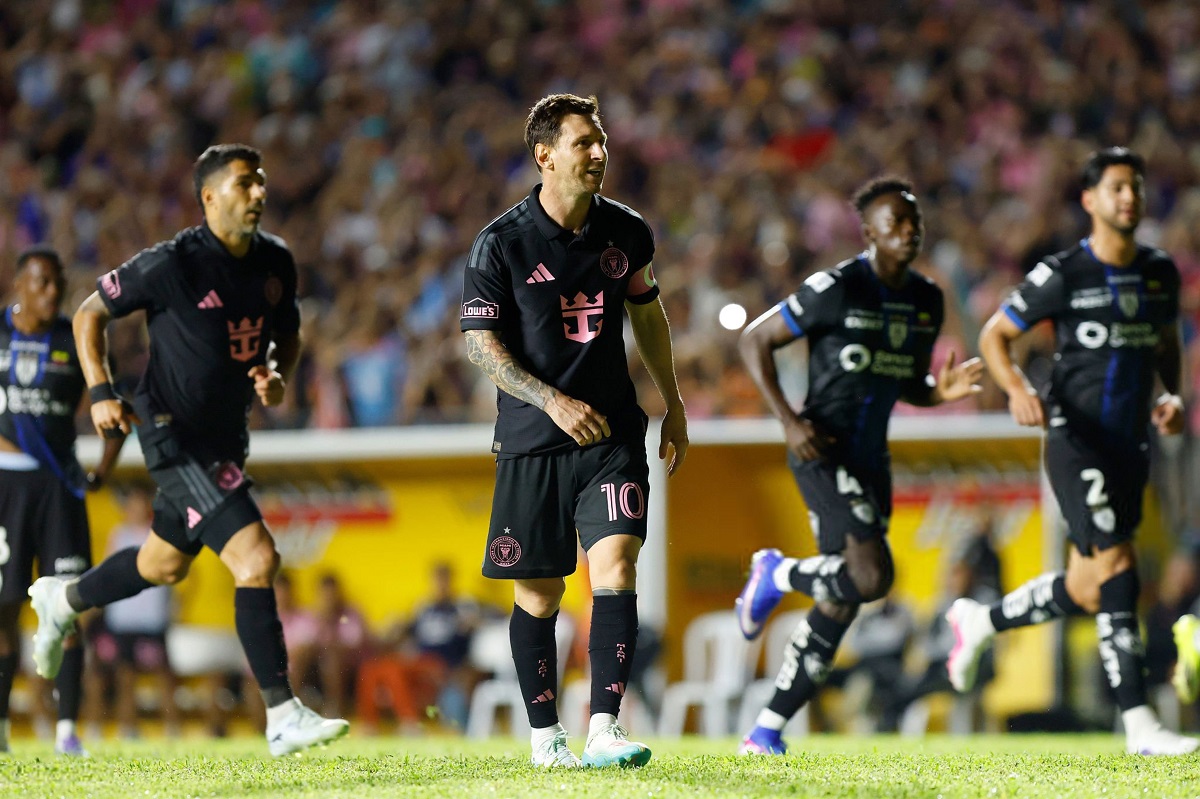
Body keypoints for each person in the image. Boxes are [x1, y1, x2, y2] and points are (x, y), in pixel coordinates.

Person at [26, 143, 349, 757]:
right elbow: (89, 313)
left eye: (260, 183)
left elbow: (287, 338)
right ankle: (281, 713)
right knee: (256, 559)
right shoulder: (173, 263)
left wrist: (275, 375)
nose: (258, 194)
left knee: (163, 564)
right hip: (173, 434)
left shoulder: (275, 261)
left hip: (227, 438)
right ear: (209, 198)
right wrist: (100, 391)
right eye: (243, 184)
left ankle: (62, 599)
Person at [460, 93, 688, 768]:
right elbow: (481, 345)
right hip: (533, 439)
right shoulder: (500, 243)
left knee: (614, 565)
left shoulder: (626, 232)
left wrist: (672, 401)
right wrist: (551, 401)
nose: (599, 152)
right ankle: (545, 737)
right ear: (545, 155)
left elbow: (647, 312)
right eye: (584, 142)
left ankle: (605, 727)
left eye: (601, 141)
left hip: (612, 434)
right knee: (539, 591)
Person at [952, 147, 1197, 756]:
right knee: (1120, 569)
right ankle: (1140, 725)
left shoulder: (1160, 272)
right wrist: (1015, 390)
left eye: (1135, 187)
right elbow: (995, 334)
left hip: (1130, 444)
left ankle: (980, 621)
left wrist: (1171, 395)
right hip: (1074, 437)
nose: (1128, 197)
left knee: (1092, 585)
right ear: (1090, 200)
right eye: (1116, 187)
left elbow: (1165, 341)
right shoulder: (1064, 272)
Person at [733, 177, 983, 755]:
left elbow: (906, 384)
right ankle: (776, 575)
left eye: (914, 221)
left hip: (872, 459)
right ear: (868, 232)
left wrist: (937, 393)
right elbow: (754, 341)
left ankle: (766, 729)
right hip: (823, 447)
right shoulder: (837, 286)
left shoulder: (927, 299)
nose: (909, 231)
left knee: (842, 598)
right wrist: (789, 422)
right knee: (873, 577)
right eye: (895, 222)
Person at [0, 246, 125, 755]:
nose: (52, 293)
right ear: (19, 284)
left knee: (68, 610)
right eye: (42, 283)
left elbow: (112, 412)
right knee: (4, 612)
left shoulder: (76, 339)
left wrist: (100, 474)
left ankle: (67, 731)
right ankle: (3, 730)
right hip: (5, 489)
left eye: (57, 283)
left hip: (59, 490)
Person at [86, 481, 181, 739]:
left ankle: (172, 728)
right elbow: (108, 572)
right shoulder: (119, 535)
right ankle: (129, 729)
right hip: (123, 618)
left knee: (164, 677)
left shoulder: (157, 534)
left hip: (152, 618)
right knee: (124, 677)